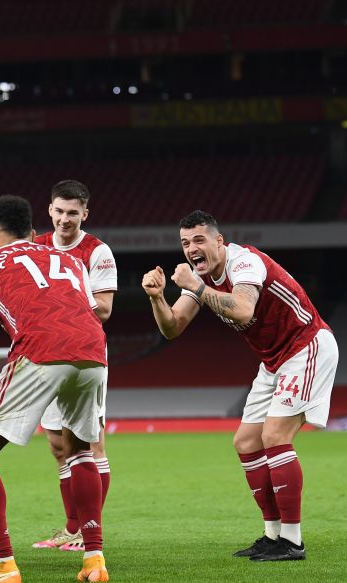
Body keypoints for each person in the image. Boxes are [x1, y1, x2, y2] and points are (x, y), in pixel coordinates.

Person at [0, 195, 110, 583]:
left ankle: (1, 564)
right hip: (95, 352)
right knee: (81, 450)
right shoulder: (72, 261)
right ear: (33, 233)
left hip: (42, 352)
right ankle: (94, 560)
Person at [142, 210, 337, 562]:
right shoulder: (201, 277)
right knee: (246, 441)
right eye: (185, 243)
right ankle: (272, 534)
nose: (191, 248)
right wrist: (157, 297)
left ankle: (293, 542)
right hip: (273, 359)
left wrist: (195, 286)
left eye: (199, 240)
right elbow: (172, 328)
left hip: (306, 344)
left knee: (275, 435)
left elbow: (244, 310)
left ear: (219, 241)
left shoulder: (244, 262)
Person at [31, 180, 117, 551]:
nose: (65, 219)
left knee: (90, 445)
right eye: (59, 211)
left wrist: (59, 311)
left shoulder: (97, 251)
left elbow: (106, 308)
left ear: (85, 213)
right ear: (49, 210)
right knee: (56, 442)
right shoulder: (35, 248)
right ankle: (71, 528)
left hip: (84, 354)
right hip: (47, 354)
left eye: (73, 213)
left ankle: (89, 530)